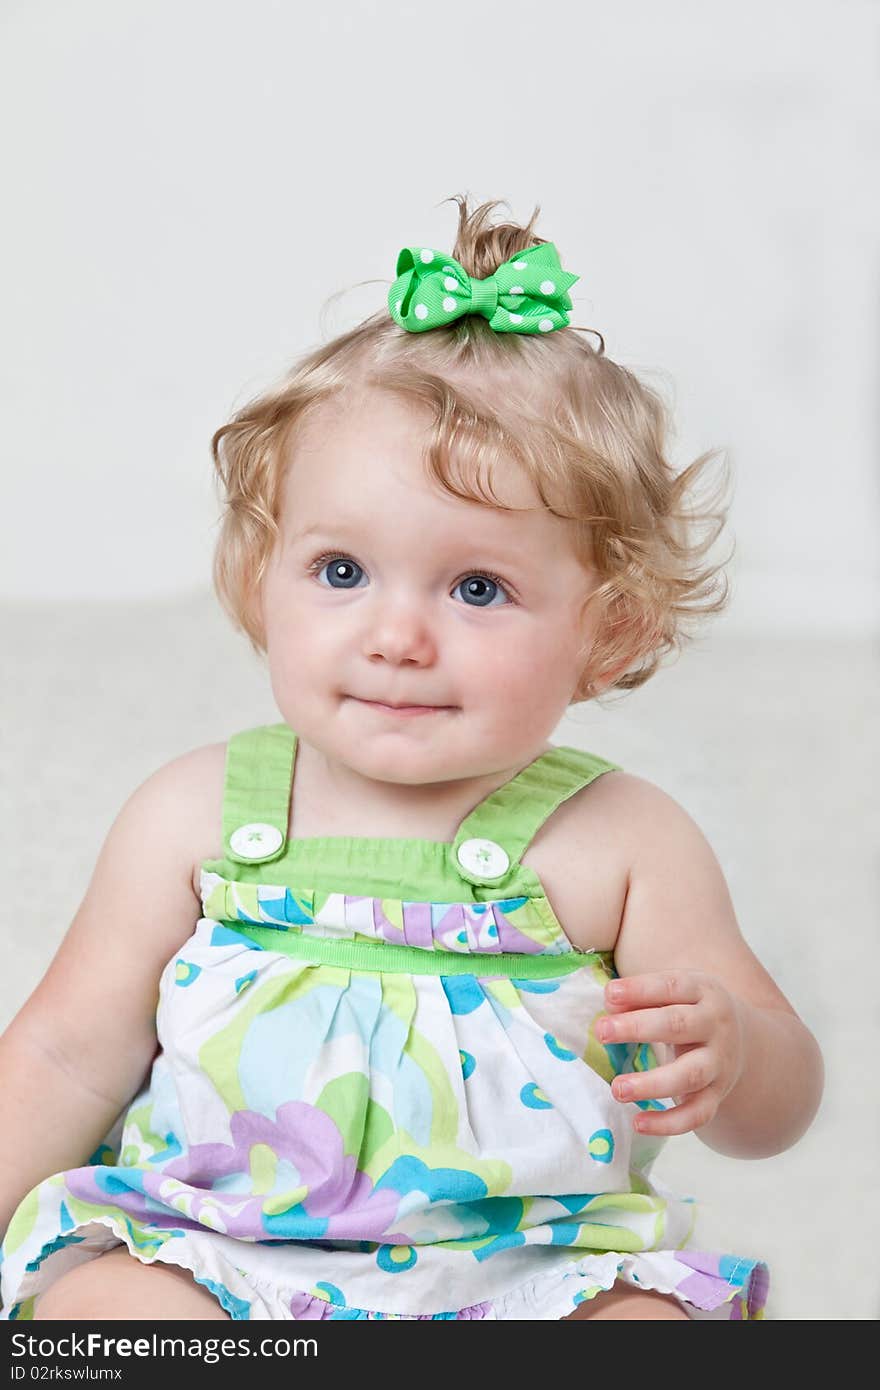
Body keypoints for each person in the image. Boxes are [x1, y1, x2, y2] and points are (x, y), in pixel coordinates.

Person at [0, 194, 823, 1322]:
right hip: (220, 1260)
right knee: (111, 1309)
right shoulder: (193, 817)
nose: (395, 634)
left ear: (610, 629)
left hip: (533, 1279)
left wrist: (730, 1056)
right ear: (260, 577)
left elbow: (774, 1109)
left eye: (477, 588)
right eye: (341, 571)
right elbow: (60, 1055)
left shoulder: (621, 843)